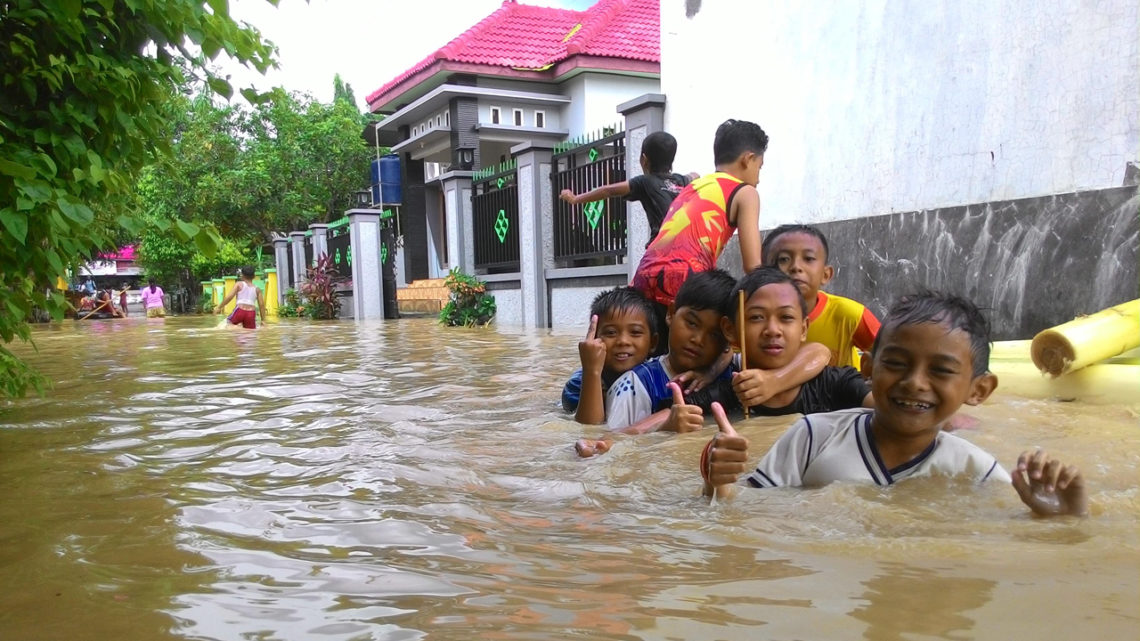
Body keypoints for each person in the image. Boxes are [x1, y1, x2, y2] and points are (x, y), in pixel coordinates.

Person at [700, 291, 1089, 518]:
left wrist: (1062, 519)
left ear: (979, 390)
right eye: (897, 363)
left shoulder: (977, 470)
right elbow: (742, 516)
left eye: (941, 370)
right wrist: (718, 482)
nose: (915, 382)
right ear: (868, 368)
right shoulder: (812, 436)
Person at [630, 119, 768, 350]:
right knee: (715, 346)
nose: (759, 177)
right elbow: (753, 268)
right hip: (685, 282)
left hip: (643, 277)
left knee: (656, 356)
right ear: (748, 159)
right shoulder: (745, 193)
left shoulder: (694, 186)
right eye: (760, 167)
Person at [687, 267, 871, 417]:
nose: (773, 330)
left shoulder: (836, 385)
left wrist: (774, 380)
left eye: (786, 317)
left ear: (804, 328)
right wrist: (672, 423)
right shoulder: (726, 396)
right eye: (757, 317)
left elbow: (887, 415)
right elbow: (668, 418)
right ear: (730, 330)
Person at [764, 224, 880, 368]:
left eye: (808, 258)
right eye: (783, 259)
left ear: (826, 275)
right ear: (763, 271)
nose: (796, 267)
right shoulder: (751, 318)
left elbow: (889, 353)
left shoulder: (849, 315)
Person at [559, 131, 698, 244]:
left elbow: (607, 190)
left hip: (661, 250)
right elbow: (695, 175)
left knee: (639, 279)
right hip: (688, 247)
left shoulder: (645, 181)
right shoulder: (682, 181)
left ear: (644, 160)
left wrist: (575, 198)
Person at [562, 287, 658, 424]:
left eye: (635, 332)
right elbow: (589, 431)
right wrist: (592, 372)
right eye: (611, 333)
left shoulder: (657, 378)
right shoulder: (577, 385)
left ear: (653, 343)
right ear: (594, 341)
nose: (623, 341)